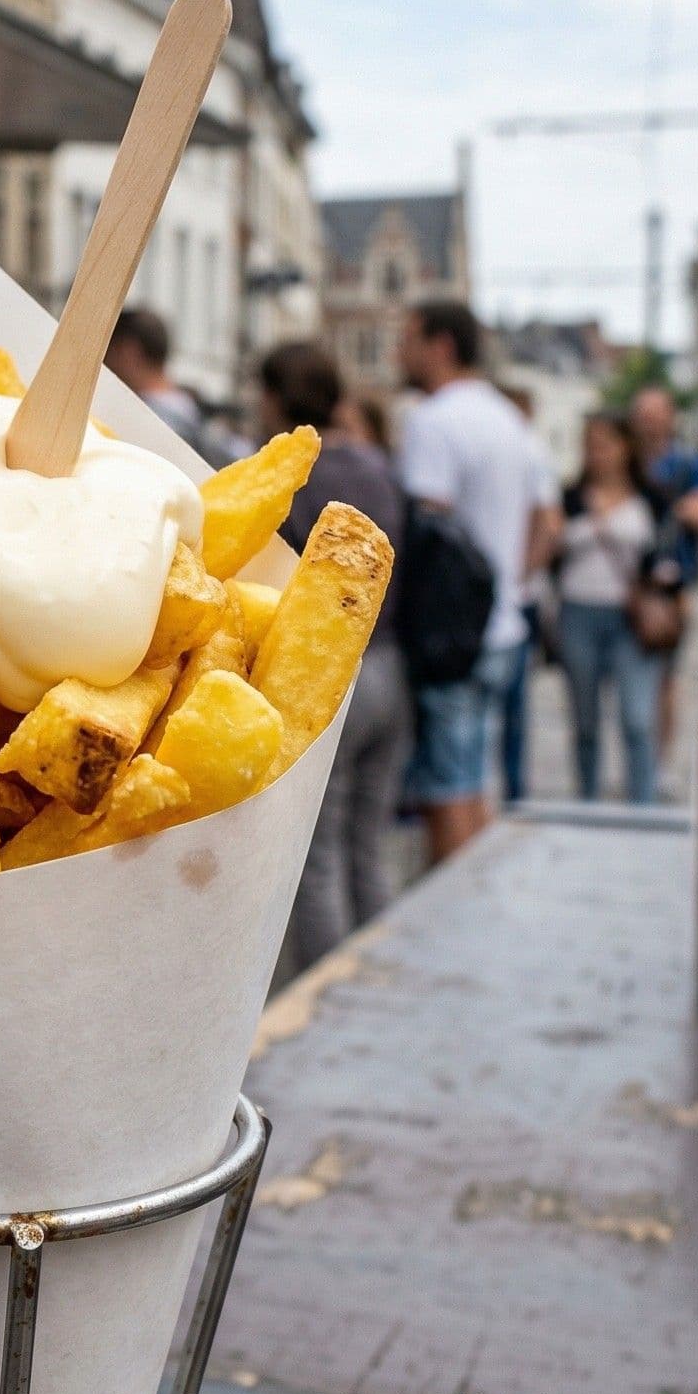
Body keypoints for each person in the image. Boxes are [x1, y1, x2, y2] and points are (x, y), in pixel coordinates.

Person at [259, 342, 409, 967]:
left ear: (274, 399)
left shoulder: (292, 473)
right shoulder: (380, 466)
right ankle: (377, 977)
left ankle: (329, 1002)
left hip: (334, 680)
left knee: (316, 860)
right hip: (392, 668)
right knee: (368, 847)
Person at [397, 299, 561, 865]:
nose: (400, 351)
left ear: (441, 346)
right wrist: (514, 582)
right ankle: (477, 906)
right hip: (505, 627)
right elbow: (547, 519)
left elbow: (428, 527)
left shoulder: (434, 418)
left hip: (454, 636)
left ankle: (454, 923)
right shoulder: (507, 417)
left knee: (448, 792)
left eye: (409, 338)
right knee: (475, 778)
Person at [551, 413, 664, 805]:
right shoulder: (570, 496)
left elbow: (665, 558)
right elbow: (552, 552)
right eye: (591, 445)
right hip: (579, 609)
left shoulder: (649, 498)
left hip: (631, 617)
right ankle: (588, 798)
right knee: (585, 719)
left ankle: (643, 802)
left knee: (637, 718)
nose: (597, 454)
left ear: (625, 447)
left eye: (606, 444)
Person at [629, 385, 698, 760]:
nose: (647, 421)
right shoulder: (627, 462)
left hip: (669, 584)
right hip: (627, 582)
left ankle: (658, 759)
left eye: (654, 412)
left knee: (664, 676)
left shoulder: (689, 464)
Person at [498, 384, 558, 804]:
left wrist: (519, 576)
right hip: (517, 595)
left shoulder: (527, 449)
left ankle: (513, 793)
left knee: (512, 705)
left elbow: (550, 524)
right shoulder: (531, 449)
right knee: (513, 707)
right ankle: (513, 792)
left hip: (516, 597)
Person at [106, 309, 243, 465]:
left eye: (106, 353)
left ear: (128, 353)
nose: (102, 367)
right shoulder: (198, 410)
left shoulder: (131, 420)